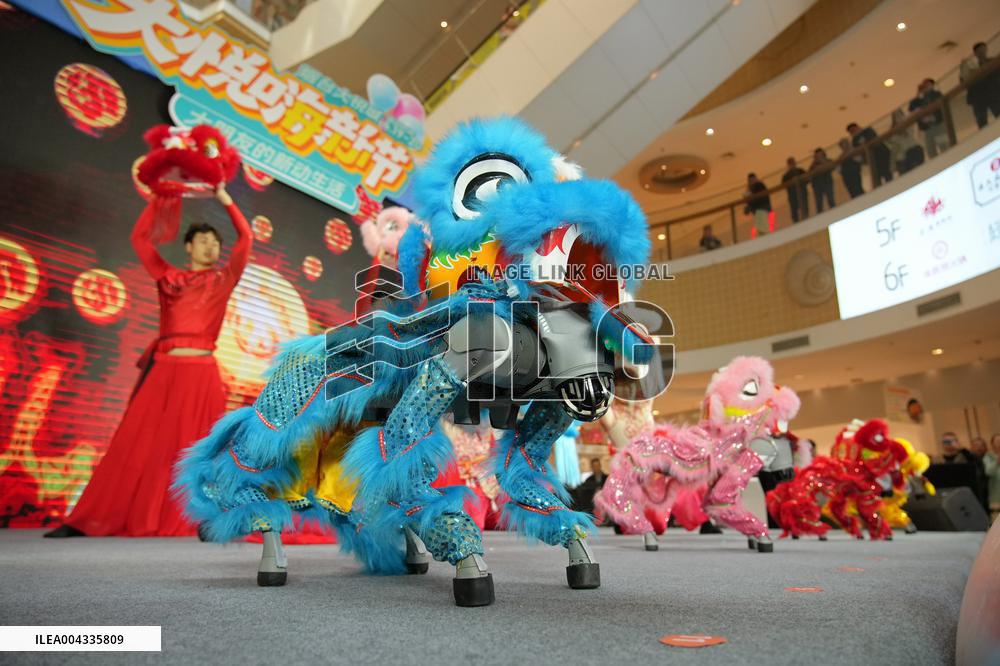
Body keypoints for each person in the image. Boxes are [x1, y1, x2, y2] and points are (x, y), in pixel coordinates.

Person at [45, 186, 251, 537]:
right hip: (164, 368)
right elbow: (140, 240)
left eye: (215, 242)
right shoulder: (169, 278)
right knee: (136, 445)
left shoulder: (222, 280)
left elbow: (245, 238)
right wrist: (161, 197)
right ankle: (90, 519)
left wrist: (225, 199)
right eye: (203, 241)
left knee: (199, 449)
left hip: (200, 374)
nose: (210, 247)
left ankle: (201, 519)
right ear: (189, 247)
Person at [941, 431, 988, 510]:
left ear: (956, 442)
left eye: (950, 441)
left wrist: (961, 449)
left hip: (970, 498)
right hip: (951, 499)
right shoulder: (941, 460)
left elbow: (977, 461)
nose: (948, 444)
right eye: (945, 442)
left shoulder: (966, 457)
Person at [960, 41, 1000, 129]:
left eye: (983, 50)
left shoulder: (993, 61)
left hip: (994, 93)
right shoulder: (971, 67)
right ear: (975, 53)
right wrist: (964, 69)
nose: (982, 52)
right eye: (979, 51)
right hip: (978, 96)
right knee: (981, 120)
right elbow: (964, 81)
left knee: (998, 113)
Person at [908, 78, 948, 158]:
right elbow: (911, 108)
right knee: (931, 150)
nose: (927, 86)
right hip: (926, 129)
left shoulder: (937, 94)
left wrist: (933, 117)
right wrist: (919, 95)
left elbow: (941, 107)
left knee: (944, 147)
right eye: (925, 85)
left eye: (928, 85)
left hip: (938, 125)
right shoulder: (920, 99)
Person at [848, 122, 892, 188]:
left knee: (886, 172)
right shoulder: (854, 140)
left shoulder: (868, 131)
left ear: (857, 127)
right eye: (851, 131)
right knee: (877, 176)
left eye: (854, 130)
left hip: (881, 154)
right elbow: (857, 149)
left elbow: (872, 139)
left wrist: (863, 144)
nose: (853, 132)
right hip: (872, 160)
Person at [886, 108, 925, 175]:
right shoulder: (894, 133)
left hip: (914, 151)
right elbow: (894, 148)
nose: (899, 118)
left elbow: (915, 115)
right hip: (905, 157)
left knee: (918, 172)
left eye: (900, 115)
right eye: (896, 116)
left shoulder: (908, 125)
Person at [781, 157, 809, 223]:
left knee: (804, 207)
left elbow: (807, 179)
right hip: (792, 195)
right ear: (788, 165)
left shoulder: (800, 171)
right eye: (790, 163)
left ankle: (806, 219)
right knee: (794, 210)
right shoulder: (786, 176)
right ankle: (796, 222)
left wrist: (799, 180)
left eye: (793, 163)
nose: (792, 164)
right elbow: (784, 185)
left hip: (802, 193)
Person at [743, 173, 771, 237]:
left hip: (761, 210)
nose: (752, 182)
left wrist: (749, 202)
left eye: (752, 180)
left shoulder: (758, 186)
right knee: (762, 230)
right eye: (751, 180)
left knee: (762, 230)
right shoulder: (757, 186)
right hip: (761, 210)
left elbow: (757, 198)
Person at [808, 147, 835, 213]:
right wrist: (816, 163)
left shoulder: (828, 161)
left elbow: (832, 166)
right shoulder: (813, 165)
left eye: (820, 154)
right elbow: (809, 174)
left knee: (831, 200)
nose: (819, 156)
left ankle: (835, 212)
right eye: (817, 155)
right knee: (819, 203)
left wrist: (822, 163)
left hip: (827, 183)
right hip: (817, 186)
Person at [984, 434, 1000, 521]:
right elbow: (989, 472)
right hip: (996, 497)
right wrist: (997, 461)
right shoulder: (988, 456)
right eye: (997, 441)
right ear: (992, 444)